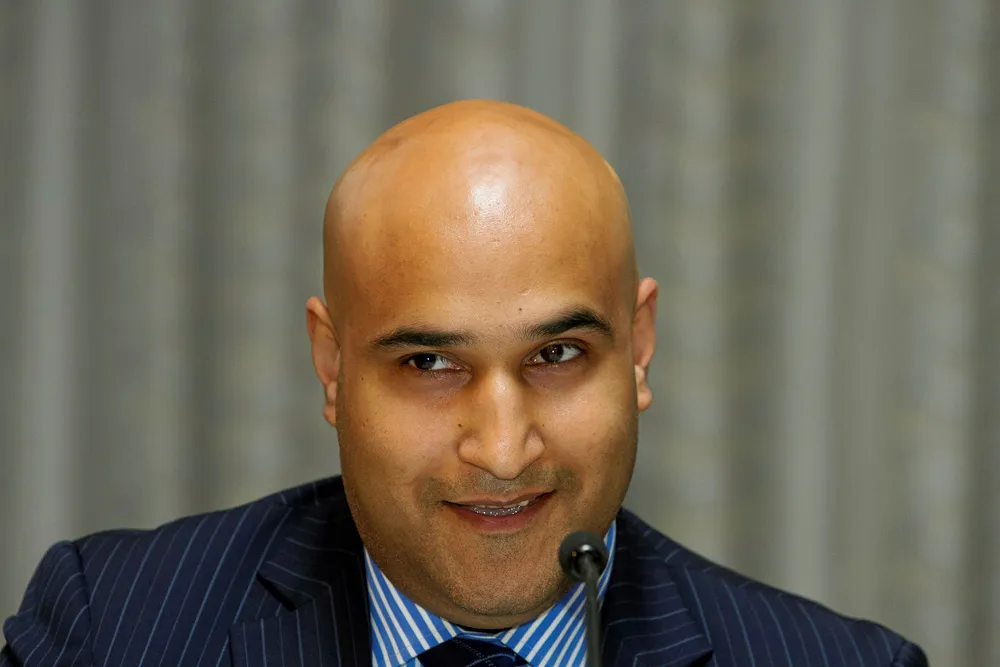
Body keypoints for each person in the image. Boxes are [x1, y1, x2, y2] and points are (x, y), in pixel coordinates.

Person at [1, 100, 927, 667]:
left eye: (557, 355)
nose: (503, 450)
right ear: (332, 365)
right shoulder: (111, 626)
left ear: (639, 346)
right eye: (429, 364)